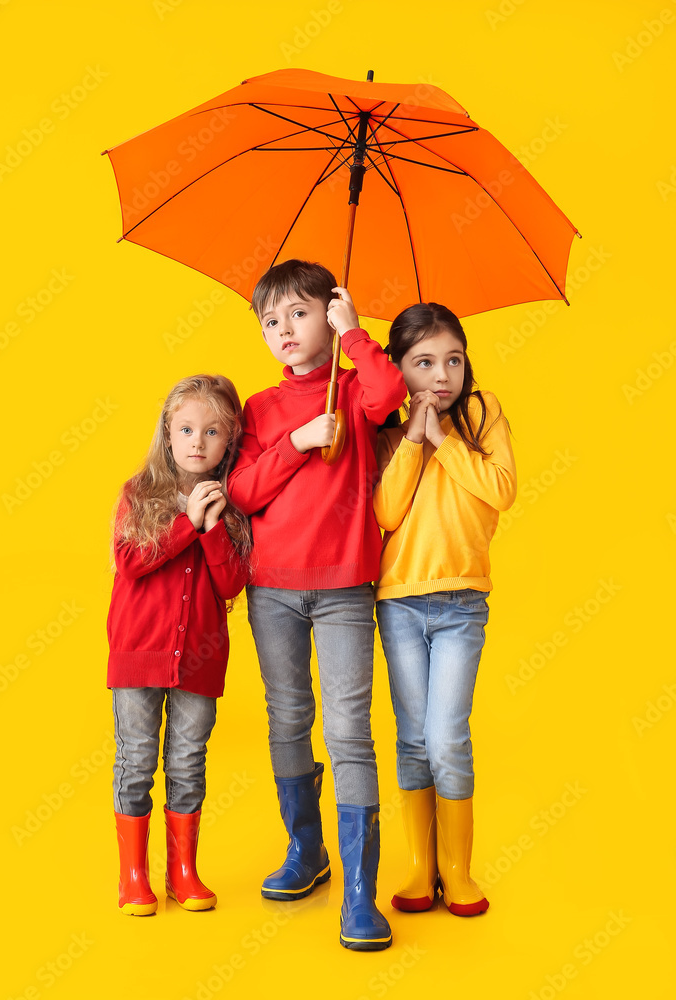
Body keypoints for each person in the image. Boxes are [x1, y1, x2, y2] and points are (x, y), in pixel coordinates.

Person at [228, 259, 406, 950]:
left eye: (299, 314)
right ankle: (307, 851)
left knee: (347, 726)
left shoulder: (359, 387)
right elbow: (243, 491)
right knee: (288, 716)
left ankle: (360, 894)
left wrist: (356, 333)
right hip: (270, 585)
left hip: (342, 589)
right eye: (270, 321)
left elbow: (391, 389)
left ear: (326, 316)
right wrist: (298, 445)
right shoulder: (260, 408)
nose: (283, 331)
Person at [373, 303, 517, 917]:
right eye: (424, 362)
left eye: (452, 359)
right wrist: (412, 438)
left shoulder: (481, 414)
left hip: (462, 602)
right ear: (399, 370)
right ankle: (419, 868)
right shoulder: (387, 429)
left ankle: (457, 870)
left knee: (446, 736)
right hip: (401, 601)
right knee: (411, 738)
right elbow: (384, 513)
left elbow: (500, 490)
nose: (442, 374)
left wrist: (444, 438)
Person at [107, 374, 249, 916]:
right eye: (186, 429)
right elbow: (130, 560)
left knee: (188, 762)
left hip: (199, 660)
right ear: (168, 434)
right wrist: (187, 523)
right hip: (138, 654)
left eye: (211, 432)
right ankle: (134, 876)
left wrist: (212, 528)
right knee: (137, 760)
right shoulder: (138, 492)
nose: (197, 441)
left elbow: (233, 583)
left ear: (228, 441)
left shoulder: (232, 505)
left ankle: (183, 872)